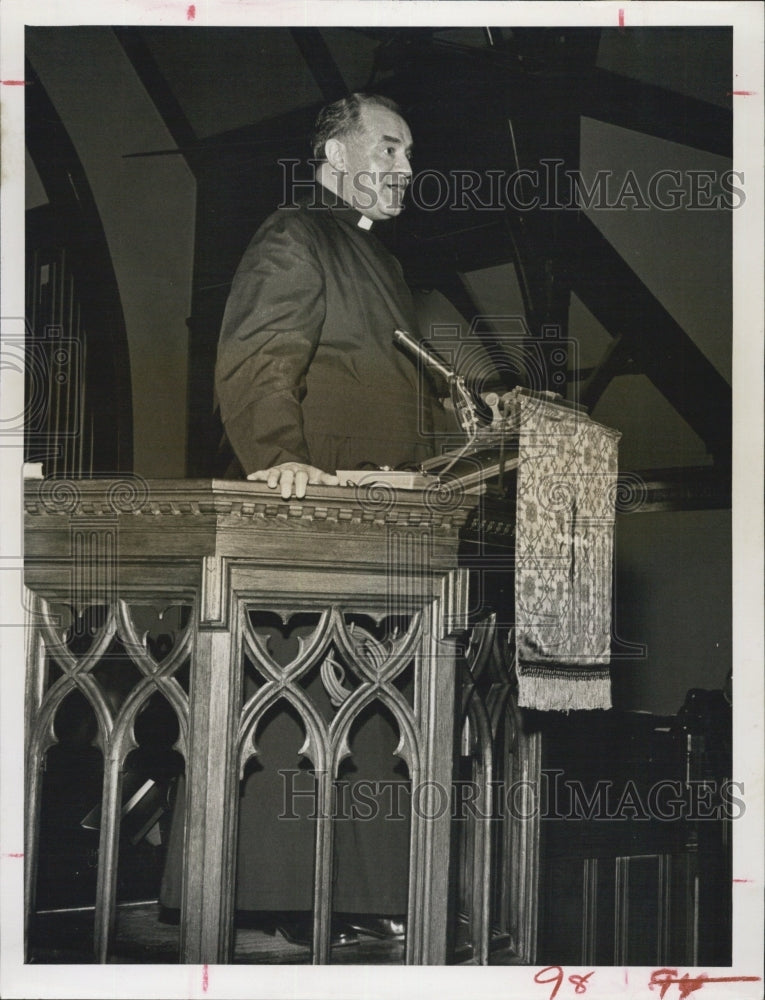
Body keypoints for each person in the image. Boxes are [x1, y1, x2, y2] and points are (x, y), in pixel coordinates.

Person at [161, 94, 446, 949]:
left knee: (365, 720)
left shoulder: (380, 259)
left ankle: (359, 896)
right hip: (307, 521)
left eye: (408, 153)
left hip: (381, 527)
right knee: (293, 717)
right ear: (334, 156)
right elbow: (261, 354)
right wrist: (277, 455)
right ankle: (274, 900)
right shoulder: (295, 234)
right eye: (387, 149)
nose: (405, 168)